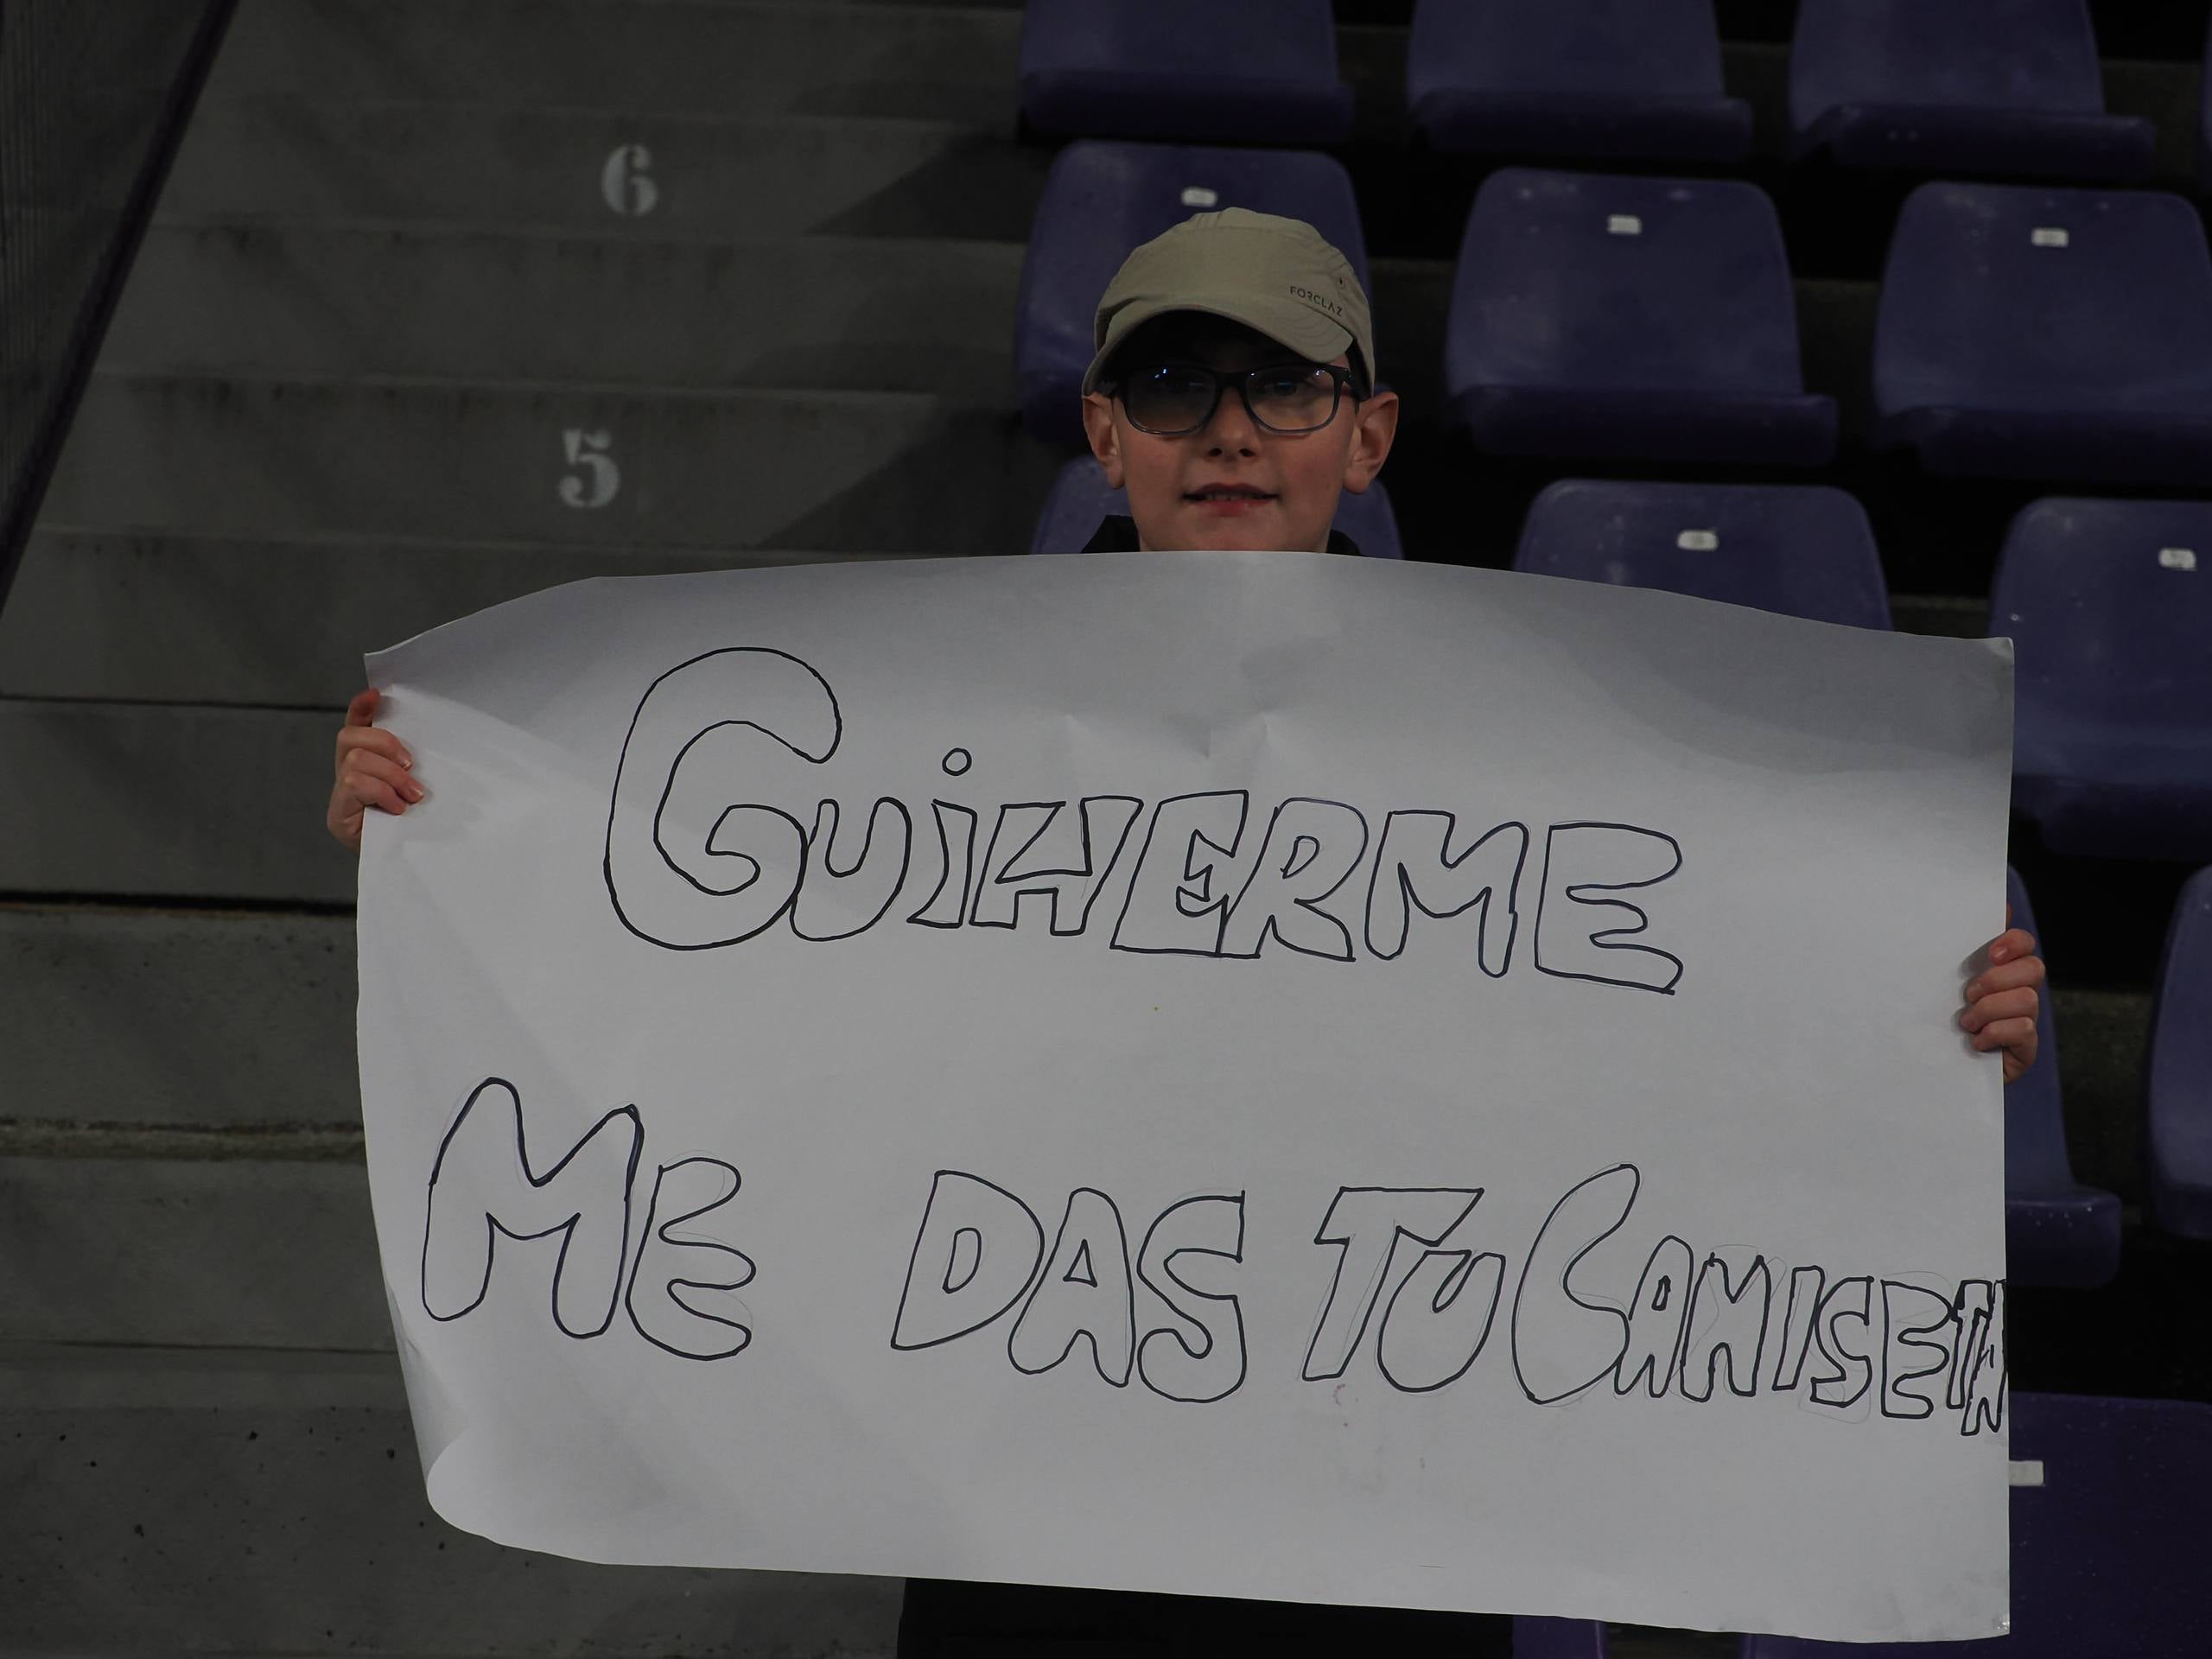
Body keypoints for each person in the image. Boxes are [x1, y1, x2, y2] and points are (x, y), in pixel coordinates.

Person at [324, 208, 2048, 1653]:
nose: (1227, 429)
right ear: (1103, 430)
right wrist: (457, 826)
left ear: (1362, 433)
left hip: (1389, 1517)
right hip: (1028, 1516)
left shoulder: (1531, 765)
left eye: (1282, 383)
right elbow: (721, 998)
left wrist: (1909, 1020)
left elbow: (1663, 1061)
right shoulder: (923, 741)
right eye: (1171, 381)